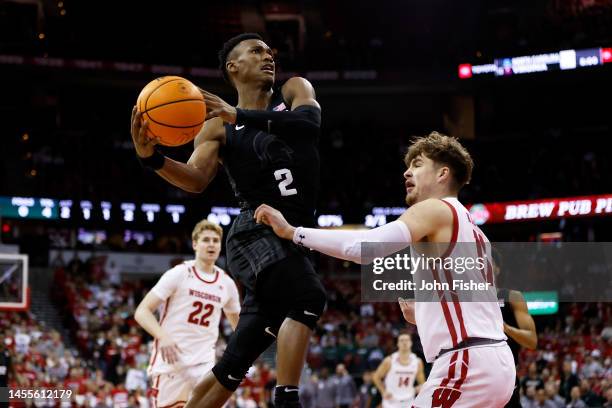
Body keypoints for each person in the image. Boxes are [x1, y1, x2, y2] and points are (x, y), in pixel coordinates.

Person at [131, 32, 326, 408]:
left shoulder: (295, 90)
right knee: (309, 296)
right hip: (254, 232)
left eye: (269, 51)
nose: (268, 56)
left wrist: (238, 114)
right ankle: (286, 400)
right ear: (233, 67)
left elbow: (309, 128)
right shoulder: (216, 126)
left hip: (294, 235)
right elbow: (195, 178)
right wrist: (151, 158)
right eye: (256, 51)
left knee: (233, 365)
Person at [255, 131, 516, 407]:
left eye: (417, 164)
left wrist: (294, 232)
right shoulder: (475, 230)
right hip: (494, 360)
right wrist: (425, 314)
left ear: (442, 174)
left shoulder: (435, 209)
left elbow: (362, 248)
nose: (406, 172)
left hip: (467, 363)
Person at [134, 220, 240, 408]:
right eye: (206, 240)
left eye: (215, 241)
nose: (211, 244)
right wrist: (162, 336)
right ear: (195, 244)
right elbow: (142, 311)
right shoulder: (179, 273)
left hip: (205, 366)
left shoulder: (227, 283)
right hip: (171, 363)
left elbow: (238, 326)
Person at [495, 250, 538, 408]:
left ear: (497, 269)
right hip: (476, 376)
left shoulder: (512, 297)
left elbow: (532, 340)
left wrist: (505, 328)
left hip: (506, 376)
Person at [372, 333, 425, 408]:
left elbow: (421, 383)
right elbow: (376, 377)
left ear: (411, 343)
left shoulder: (417, 362)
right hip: (391, 401)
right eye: (401, 340)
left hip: (409, 401)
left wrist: (419, 387)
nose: (404, 342)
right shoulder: (389, 360)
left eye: (407, 340)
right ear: (398, 344)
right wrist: (383, 391)